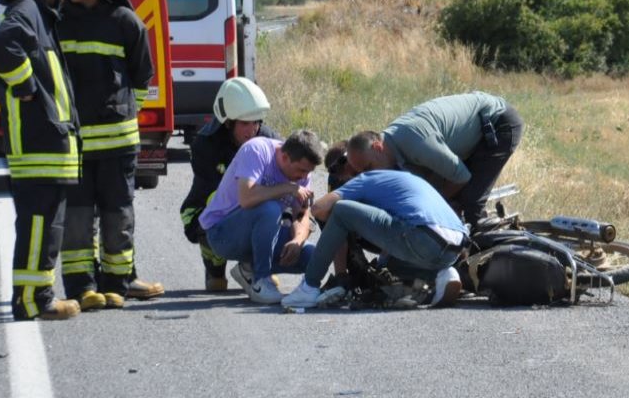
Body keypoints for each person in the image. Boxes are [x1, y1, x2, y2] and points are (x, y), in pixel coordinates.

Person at [55, 0, 163, 310]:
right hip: (75, 145)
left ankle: (119, 282)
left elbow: (141, 81)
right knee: (77, 218)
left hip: (117, 145)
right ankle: (82, 287)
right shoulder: (56, 20)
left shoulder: (126, 23)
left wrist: (124, 115)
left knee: (119, 214)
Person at [0, 0, 83, 321]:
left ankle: (39, 294)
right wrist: (27, 89)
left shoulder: (37, 13)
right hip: (38, 143)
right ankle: (32, 301)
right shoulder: (26, 10)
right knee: (39, 224)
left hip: (48, 141)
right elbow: (2, 48)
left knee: (46, 226)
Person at [280, 164, 466, 310]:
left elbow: (319, 209)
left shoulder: (366, 178)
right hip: (454, 247)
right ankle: (440, 274)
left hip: (422, 237)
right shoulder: (402, 178)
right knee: (385, 265)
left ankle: (309, 287)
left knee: (341, 210)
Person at [344, 91, 523, 227]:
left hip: (498, 123)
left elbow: (461, 177)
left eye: (369, 168)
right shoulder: (394, 150)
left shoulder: (415, 143)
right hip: (475, 131)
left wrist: (437, 203)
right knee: (451, 199)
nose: (370, 175)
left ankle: (483, 266)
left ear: (377, 147)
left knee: (470, 202)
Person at [198, 130, 324, 303]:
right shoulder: (257, 150)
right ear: (285, 157)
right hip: (222, 234)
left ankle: (248, 268)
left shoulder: (302, 173)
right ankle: (261, 279)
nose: (303, 177)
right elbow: (246, 198)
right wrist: (288, 187)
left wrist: (297, 241)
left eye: (307, 172)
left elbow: (301, 214)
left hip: (261, 236)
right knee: (270, 209)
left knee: (313, 257)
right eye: (301, 170)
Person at [180, 77, 281, 292]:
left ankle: (254, 264)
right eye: (245, 123)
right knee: (216, 208)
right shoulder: (205, 145)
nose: (252, 130)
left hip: (249, 205)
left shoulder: (268, 138)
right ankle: (215, 268)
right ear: (228, 122)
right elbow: (221, 199)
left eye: (256, 122)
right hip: (208, 208)